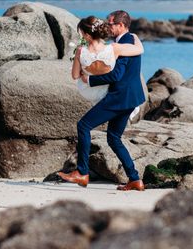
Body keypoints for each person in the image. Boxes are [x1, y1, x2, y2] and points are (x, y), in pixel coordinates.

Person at [58, 10, 147, 191]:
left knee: (83, 126)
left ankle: (82, 172)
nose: (108, 26)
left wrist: (89, 80)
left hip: (119, 97)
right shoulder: (130, 40)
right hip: (131, 97)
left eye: (111, 23)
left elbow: (116, 74)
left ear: (121, 25)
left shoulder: (123, 44)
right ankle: (135, 179)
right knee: (114, 138)